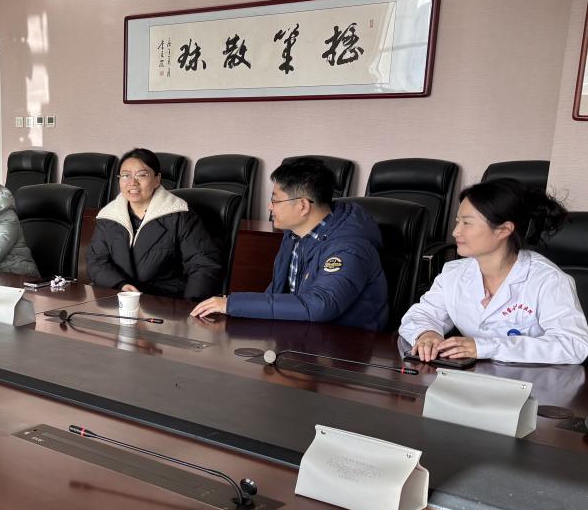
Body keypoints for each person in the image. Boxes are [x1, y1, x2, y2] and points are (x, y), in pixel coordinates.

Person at [401, 179, 588, 364]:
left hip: (534, 380)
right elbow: (420, 315)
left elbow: (574, 345)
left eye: (467, 223)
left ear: (504, 230)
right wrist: (427, 334)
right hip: (472, 376)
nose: (455, 232)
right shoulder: (453, 274)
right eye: (458, 222)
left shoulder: (548, 280)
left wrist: (485, 347)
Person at [191, 158, 388, 330]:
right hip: (301, 334)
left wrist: (232, 304)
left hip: (346, 346)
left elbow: (320, 305)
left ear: (302, 206)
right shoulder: (294, 233)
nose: (269, 207)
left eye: (275, 201)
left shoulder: (350, 247)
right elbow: (277, 291)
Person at [87, 148, 223, 298]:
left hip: (166, 301)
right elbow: (96, 261)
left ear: (157, 179)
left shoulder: (180, 216)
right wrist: (121, 285)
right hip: (121, 298)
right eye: (125, 175)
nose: (132, 182)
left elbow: (203, 266)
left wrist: (189, 306)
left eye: (142, 175)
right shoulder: (108, 216)